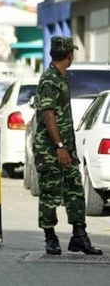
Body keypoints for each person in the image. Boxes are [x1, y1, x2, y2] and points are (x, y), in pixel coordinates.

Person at [33, 36, 102, 256]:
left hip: (66, 148)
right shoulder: (50, 80)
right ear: (69, 56)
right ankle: (50, 238)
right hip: (50, 149)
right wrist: (60, 145)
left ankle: (79, 236)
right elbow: (48, 114)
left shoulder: (60, 77)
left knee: (75, 190)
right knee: (50, 194)